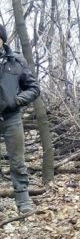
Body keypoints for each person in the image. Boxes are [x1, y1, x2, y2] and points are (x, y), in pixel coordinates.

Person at [0, 24, 40, 213]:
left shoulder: (15, 61)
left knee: (17, 162)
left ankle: (23, 202)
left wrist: (17, 100)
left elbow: (34, 88)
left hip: (11, 118)